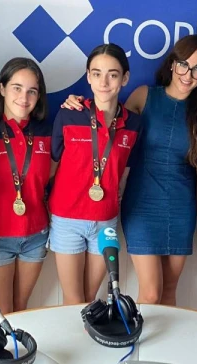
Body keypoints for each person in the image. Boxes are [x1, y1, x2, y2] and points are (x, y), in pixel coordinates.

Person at [62, 35, 197, 305]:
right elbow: (108, 123)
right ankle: (138, 333)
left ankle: (159, 337)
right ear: (172, 64)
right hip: (142, 201)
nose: (188, 75)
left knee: (169, 291)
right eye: (183, 65)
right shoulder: (144, 95)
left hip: (181, 205)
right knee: (150, 293)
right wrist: (78, 105)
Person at [49, 44, 141, 304]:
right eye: (97, 73)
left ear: (125, 78)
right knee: (73, 299)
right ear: (88, 76)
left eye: (113, 74)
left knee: (91, 299)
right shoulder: (69, 114)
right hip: (67, 218)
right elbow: (52, 165)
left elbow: (125, 170)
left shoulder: (134, 123)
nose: (104, 82)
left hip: (105, 220)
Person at [0, 58, 51, 313]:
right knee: (3, 314)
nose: (24, 97)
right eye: (17, 88)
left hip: (36, 235)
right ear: (2, 88)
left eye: (32, 91)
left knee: (21, 310)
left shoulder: (48, 131)